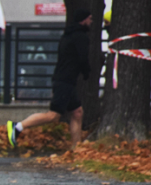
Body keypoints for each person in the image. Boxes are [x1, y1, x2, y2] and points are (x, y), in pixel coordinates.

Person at [8, 8, 92, 150]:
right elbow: (83, 59)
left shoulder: (67, 35)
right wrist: (86, 72)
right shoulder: (80, 37)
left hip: (66, 81)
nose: (91, 22)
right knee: (53, 116)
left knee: (77, 113)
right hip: (65, 82)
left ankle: (77, 148)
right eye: (89, 19)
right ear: (83, 20)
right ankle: (17, 127)